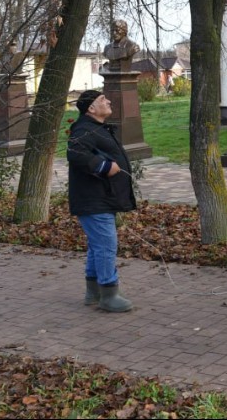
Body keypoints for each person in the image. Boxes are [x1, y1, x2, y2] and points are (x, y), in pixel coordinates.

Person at [67, 89, 136, 313]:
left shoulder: (94, 127)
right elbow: (76, 155)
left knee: (98, 246)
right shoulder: (83, 129)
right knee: (106, 245)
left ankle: (93, 293)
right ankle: (109, 294)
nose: (107, 101)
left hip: (101, 198)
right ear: (91, 108)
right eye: (101, 99)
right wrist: (105, 167)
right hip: (94, 200)